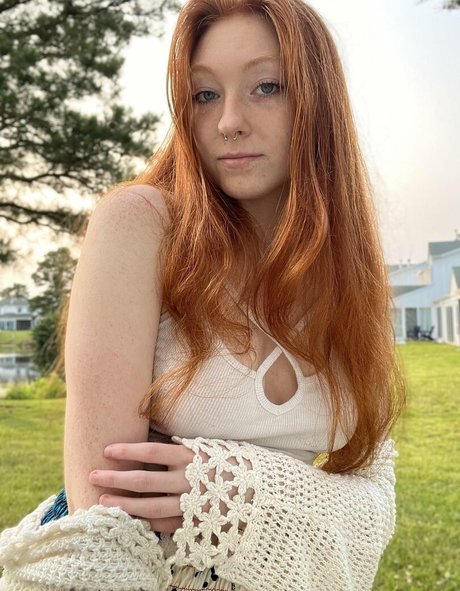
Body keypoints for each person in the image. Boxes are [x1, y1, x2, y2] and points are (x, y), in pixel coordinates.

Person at [0, 0, 405, 590]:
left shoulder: (343, 271)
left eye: (266, 87)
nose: (228, 122)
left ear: (318, 102)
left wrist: (235, 495)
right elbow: (99, 521)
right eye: (204, 95)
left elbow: (375, 498)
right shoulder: (143, 222)